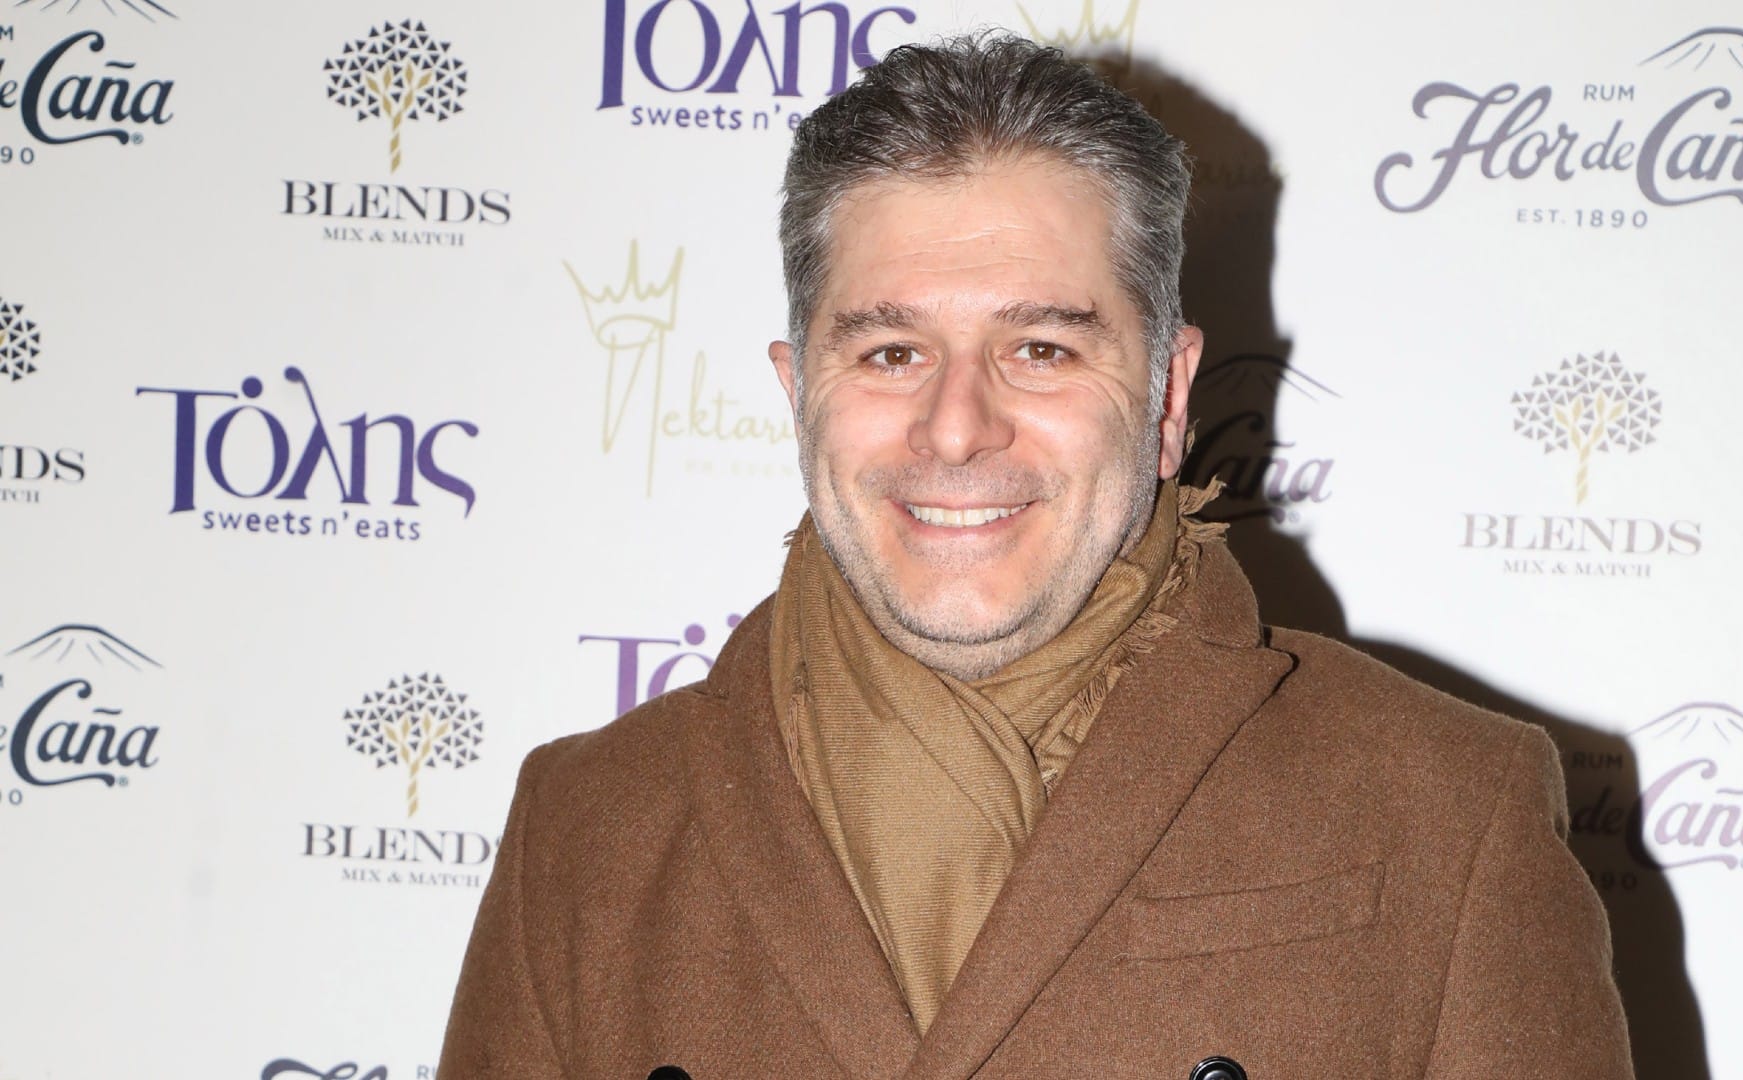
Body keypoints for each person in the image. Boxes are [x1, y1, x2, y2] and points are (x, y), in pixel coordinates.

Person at [439, 32, 1632, 1080]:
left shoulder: (1444, 808)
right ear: (798, 393)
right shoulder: (587, 830)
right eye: (892, 352)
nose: (957, 428)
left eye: (1042, 350)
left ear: (1168, 398)